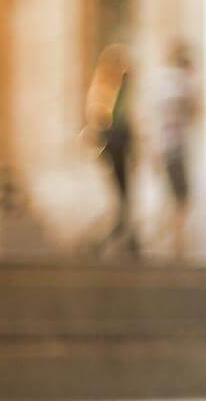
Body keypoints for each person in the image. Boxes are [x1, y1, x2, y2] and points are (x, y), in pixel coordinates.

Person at [85, 43, 138, 257]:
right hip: (113, 142)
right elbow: (98, 116)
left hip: (120, 142)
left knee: (124, 193)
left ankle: (125, 234)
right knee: (120, 193)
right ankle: (118, 234)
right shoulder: (104, 87)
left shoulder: (120, 87)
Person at [154, 40, 200, 259]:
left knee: (171, 195)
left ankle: (169, 241)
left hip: (163, 147)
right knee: (181, 198)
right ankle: (175, 244)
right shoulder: (181, 83)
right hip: (177, 148)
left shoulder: (161, 83)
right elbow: (195, 110)